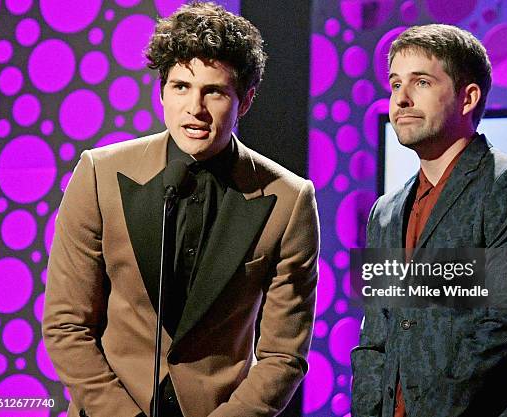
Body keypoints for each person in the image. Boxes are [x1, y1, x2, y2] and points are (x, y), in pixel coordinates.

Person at [42, 3, 319, 417]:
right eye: (181, 87)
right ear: (161, 91)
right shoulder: (99, 173)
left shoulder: (289, 198)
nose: (195, 108)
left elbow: (283, 355)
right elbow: (67, 325)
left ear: (244, 101)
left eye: (215, 91)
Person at [350, 24, 507, 417]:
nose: (402, 99)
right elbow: (375, 337)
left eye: (421, 82)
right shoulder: (385, 211)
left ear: (468, 97)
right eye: (395, 84)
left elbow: (504, 329)